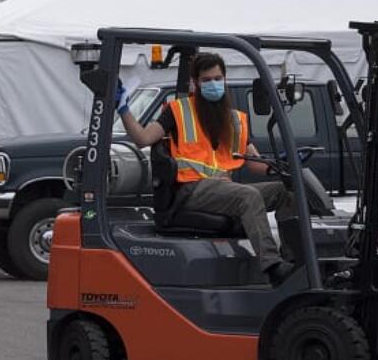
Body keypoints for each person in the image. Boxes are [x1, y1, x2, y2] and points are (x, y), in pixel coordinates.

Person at [120, 52, 297, 285]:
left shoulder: (233, 119)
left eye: (217, 78)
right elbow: (143, 138)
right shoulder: (178, 111)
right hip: (191, 190)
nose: (213, 84)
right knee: (249, 196)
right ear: (195, 83)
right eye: (206, 80)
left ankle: (295, 260)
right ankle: (273, 266)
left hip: (223, 190)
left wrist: (280, 166)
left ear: (224, 78)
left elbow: (253, 162)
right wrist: (122, 108)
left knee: (286, 191)